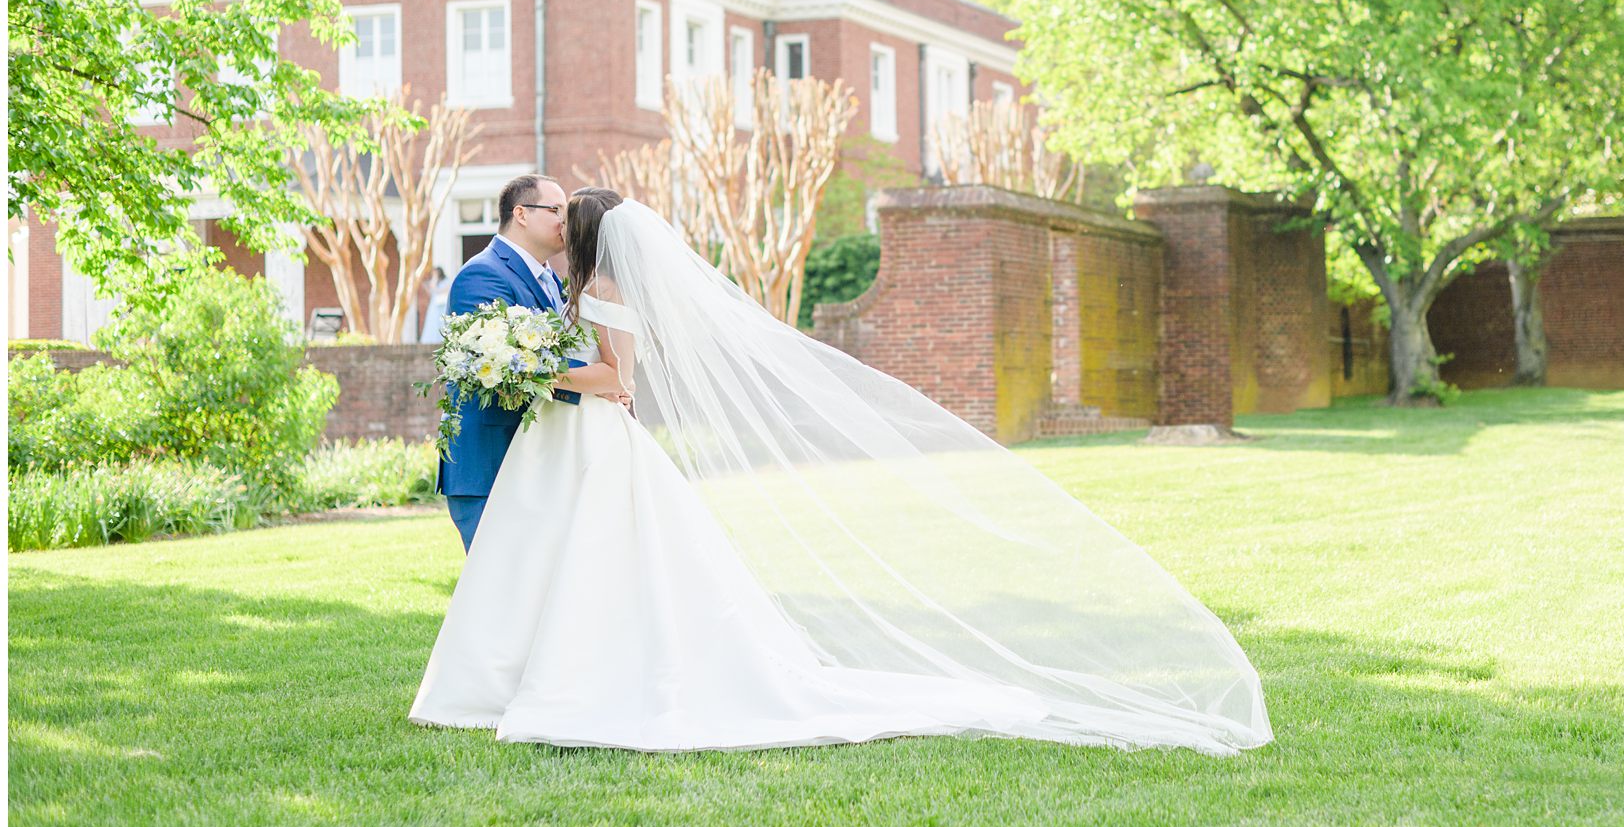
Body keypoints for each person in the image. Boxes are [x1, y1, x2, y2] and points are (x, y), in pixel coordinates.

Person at [410, 189, 1272, 754]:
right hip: (574, 448)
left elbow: (619, 382)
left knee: (612, 564)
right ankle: (547, 672)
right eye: (549, 210)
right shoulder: (577, 286)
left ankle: (584, 676)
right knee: (580, 566)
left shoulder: (602, 292)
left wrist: (531, 370)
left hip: (599, 437)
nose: (560, 224)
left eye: (568, 215)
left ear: (586, 232)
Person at [433, 174, 630, 551]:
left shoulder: (555, 281)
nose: (564, 221)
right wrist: (600, 383)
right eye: (555, 209)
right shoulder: (482, 274)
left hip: (536, 462)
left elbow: (566, 353)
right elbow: (503, 368)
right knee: (496, 585)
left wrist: (606, 380)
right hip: (490, 463)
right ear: (521, 214)